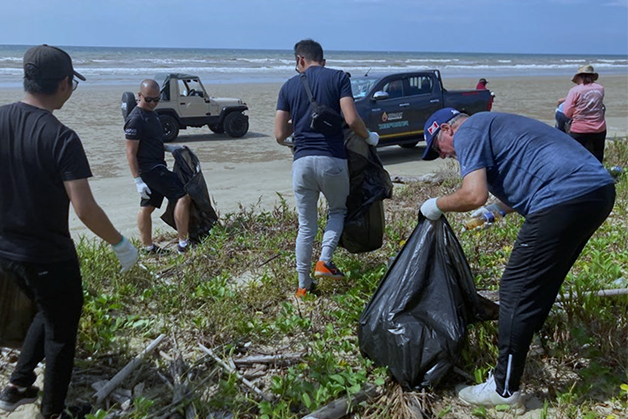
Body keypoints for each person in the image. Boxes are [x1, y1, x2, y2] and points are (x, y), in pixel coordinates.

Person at [419, 108, 615, 412]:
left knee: (515, 288)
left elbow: (473, 194)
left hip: (564, 197)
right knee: (542, 281)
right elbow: (530, 170)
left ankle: (504, 388)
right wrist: (496, 211)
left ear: (447, 130)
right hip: (596, 191)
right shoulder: (492, 125)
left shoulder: (469, 130)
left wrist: (435, 205)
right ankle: (527, 342)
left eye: (438, 148)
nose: (444, 156)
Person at [0, 45, 139, 419]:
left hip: (5, 252)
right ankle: (52, 412)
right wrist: (120, 243)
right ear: (64, 84)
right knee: (62, 329)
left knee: (48, 310)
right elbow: (85, 207)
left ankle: (16, 385)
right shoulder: (62, 137)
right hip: (47, 254)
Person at [274, 39, 379, 298]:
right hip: (331, 158)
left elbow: (279, 134)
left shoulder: (288, 86)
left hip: (301, 163)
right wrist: (370, 137)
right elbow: (352, 119)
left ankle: (302, 286)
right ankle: (325, 260)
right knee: (337, 210)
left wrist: (297, 123)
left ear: (300, 60)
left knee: (306, 225)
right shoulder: (339, 78)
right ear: (323, 60)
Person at [124, 79, 192, 254]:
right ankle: (183, 244)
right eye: (149, 99)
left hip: (156, 166)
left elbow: (151, 143)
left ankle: (148, 247)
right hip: (150, 170)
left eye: (157, 99)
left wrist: (170, 148)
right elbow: (131, 152)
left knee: (147, 207)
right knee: (182, 196)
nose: (153, 103)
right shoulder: (135, 119)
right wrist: (138, 181)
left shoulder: (153, 114)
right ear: (139, 96)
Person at [558, 64, 606, 162]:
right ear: (593, 77)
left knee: (559, 114)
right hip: (599, 129)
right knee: (598, 156)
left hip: (580, 130)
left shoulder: (575, 90)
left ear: (579, 77)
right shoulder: (600, 89)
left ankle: (559, 139)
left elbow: (567, 113)